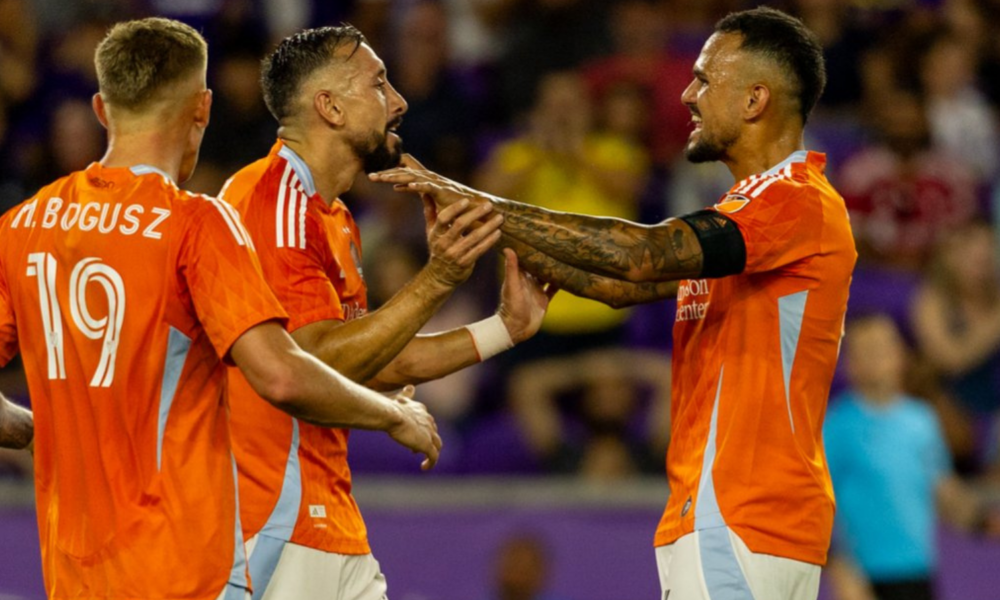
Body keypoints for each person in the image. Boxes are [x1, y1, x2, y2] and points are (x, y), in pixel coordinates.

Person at [373, 7, 856, 599]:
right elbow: (618, 287)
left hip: (741, 511)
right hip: (737, 515)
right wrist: (481, 224)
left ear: (756, 100)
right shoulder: (754, 213)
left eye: (705, 79)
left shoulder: (792, 201)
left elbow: (640, 255)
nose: (686, 94)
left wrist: (478, 203)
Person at [0, 18, 441, 599]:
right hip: (188, 575)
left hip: (74, 578)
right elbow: (281, 374)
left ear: (102, 111)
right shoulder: (195, 225)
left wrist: (39, 430)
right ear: (202, 108)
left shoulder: (22, 226)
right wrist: (392, 416)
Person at [218, 25, 553, 600]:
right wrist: (440, 277)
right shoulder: (269, 205)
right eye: (379, 84)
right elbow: (314, 361)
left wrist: (506, 327)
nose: (398, 101)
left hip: (325, 518)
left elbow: (366, 361)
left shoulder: (332, 216)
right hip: (269, 524)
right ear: (329, 106)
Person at [825, 314, 998, 600]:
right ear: (850, 364)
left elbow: (943, 491)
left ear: (901, 356)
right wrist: (841, 568)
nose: (877, 356)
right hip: (863, 580)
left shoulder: (922, 421)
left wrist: (983, 520)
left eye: (884, 346)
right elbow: (819, 505)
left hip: (918, 573)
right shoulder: (836, 426)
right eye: (866, 350)